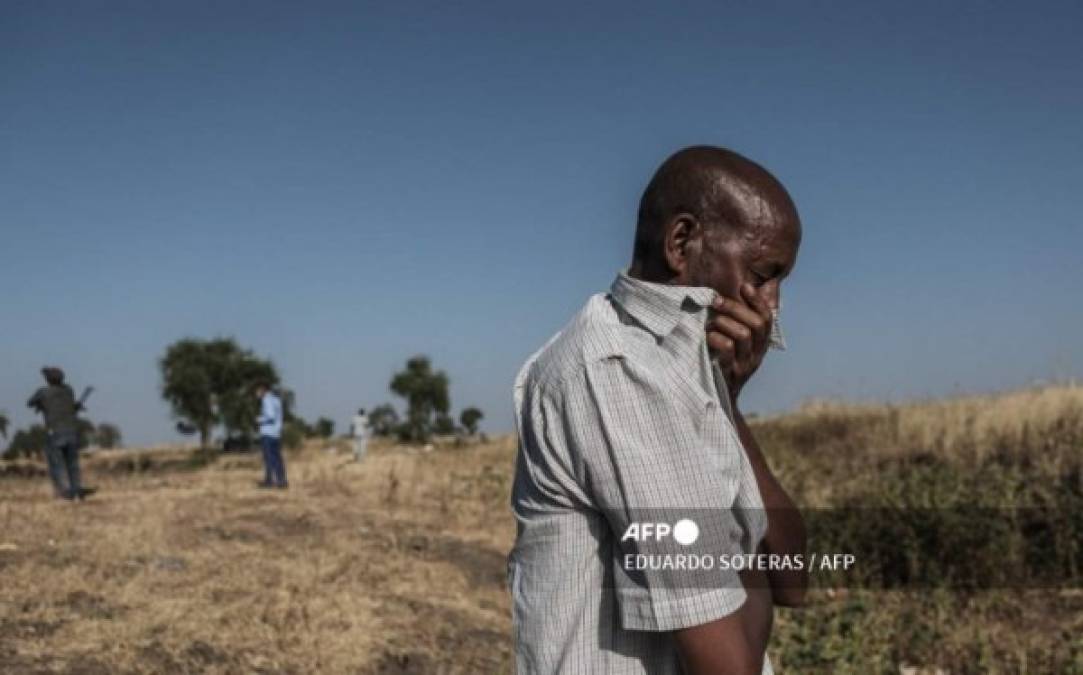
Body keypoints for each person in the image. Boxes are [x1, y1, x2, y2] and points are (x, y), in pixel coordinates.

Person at [508, 146, 808, 675]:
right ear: (680, 243)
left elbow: (793, 578)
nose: (772, 304)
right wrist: (741, 554)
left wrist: (728, 401)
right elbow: (731, 660)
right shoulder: (620, 370)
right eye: (762, 274)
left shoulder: (679, 372)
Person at [27, 367, 86, 500]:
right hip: (71, 431)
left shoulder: (43, 392)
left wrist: (41, 405)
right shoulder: (69, 390)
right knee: (72, 464)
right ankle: (76, 491)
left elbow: (30, 403)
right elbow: (70, 405)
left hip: (55, 432)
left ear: (48, 380)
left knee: (57, 464)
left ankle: (63, 493)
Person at [255, 383, 287, 489]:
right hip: (276, 433)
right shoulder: (277, 400)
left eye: (257, 391)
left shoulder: (266, 400)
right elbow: (279, 417)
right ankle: (282, 480)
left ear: (262, 390)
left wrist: (259, 419)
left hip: (267, 433)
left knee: (268, 458)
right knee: (277, 458)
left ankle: (269, 481)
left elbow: (270, 416)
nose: (256, 394)